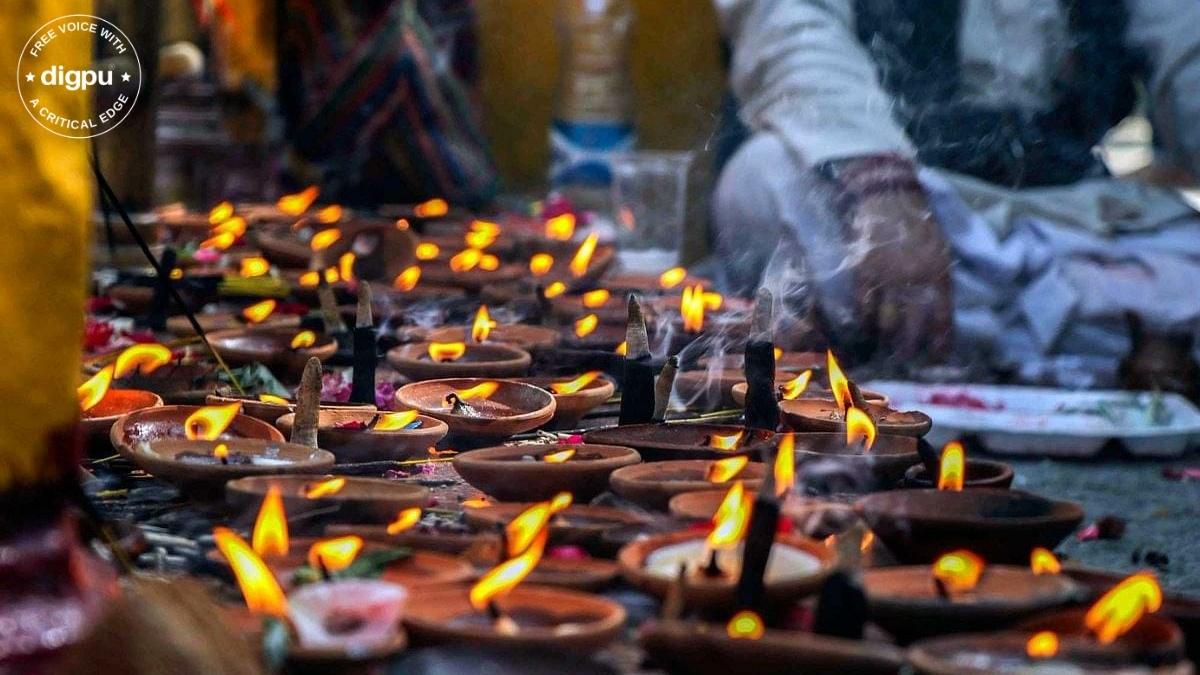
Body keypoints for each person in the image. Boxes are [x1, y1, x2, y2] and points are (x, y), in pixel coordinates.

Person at [712, 0, 1200, 379]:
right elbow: (792, 31)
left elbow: (1189, 59)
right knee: (763, 179)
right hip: (880, 187)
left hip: (1064, 219)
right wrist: (881, 188)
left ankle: (906, 343)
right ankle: (1068, 346)